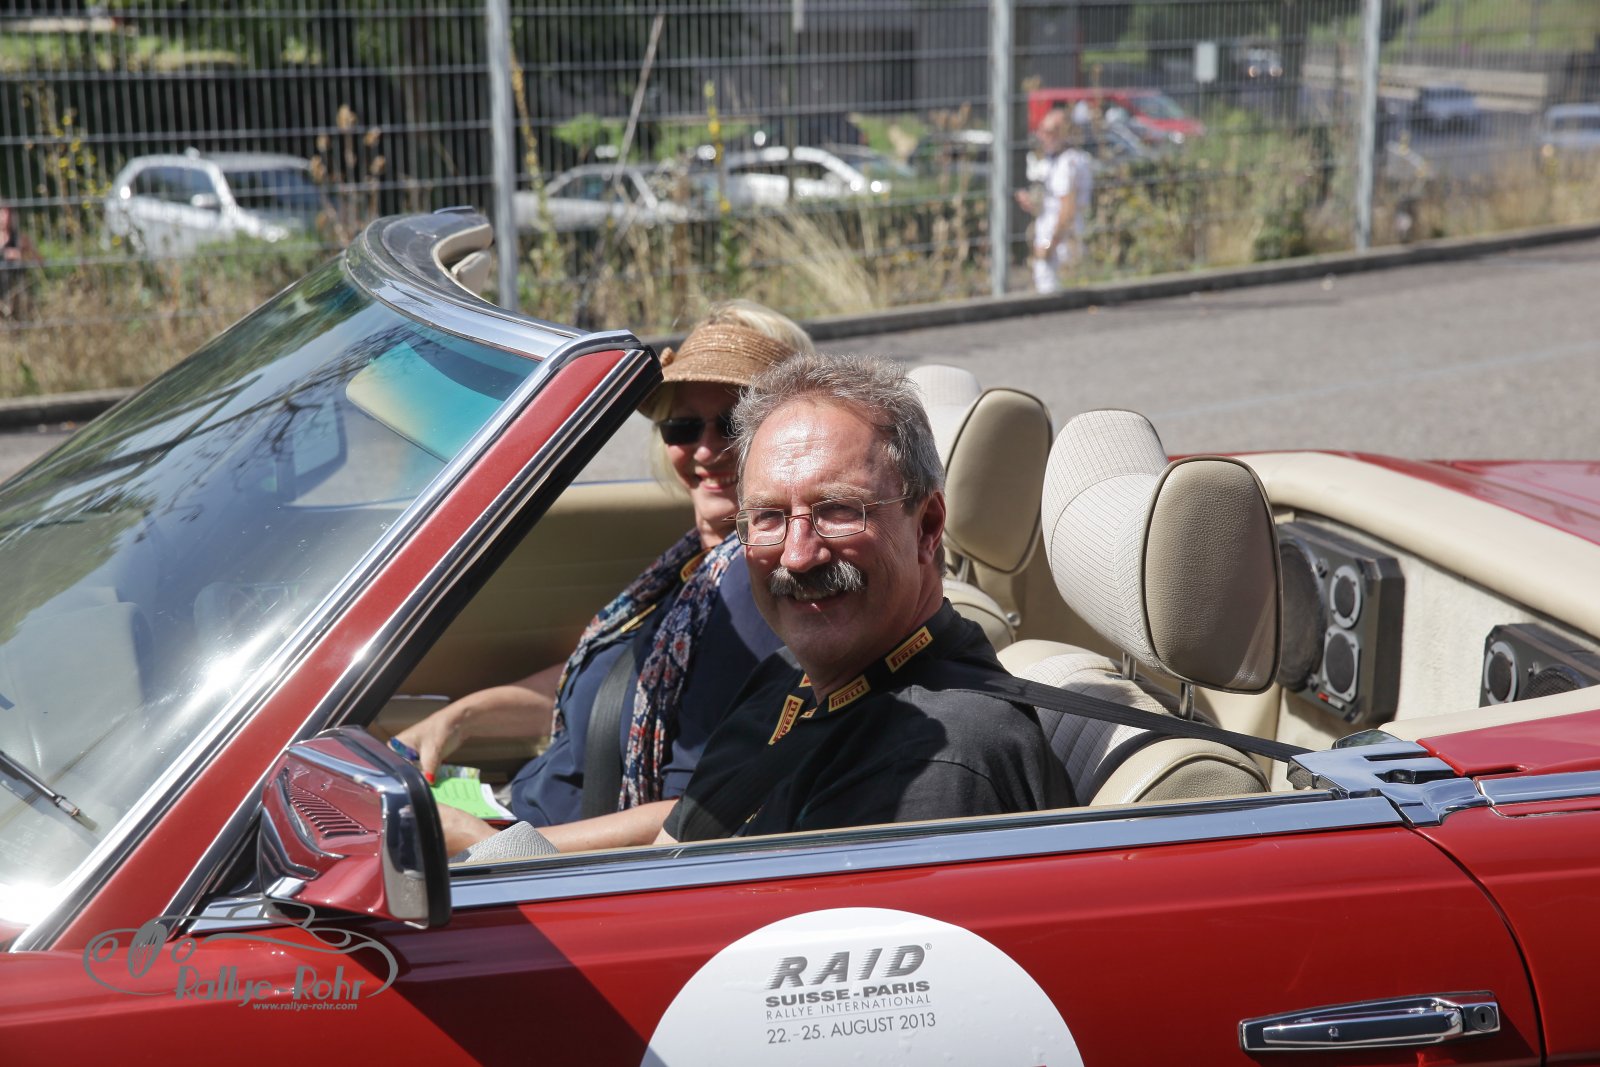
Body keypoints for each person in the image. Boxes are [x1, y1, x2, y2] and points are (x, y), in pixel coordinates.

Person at [443, 353, 1072, 858]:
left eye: (838, 510)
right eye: (767, 517)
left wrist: (479, 853)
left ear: (928, 525)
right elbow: (668, 860)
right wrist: (484, 849)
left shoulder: (937, 760)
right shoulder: (791, 680)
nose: (797, 555)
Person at [399, 300, 808, 837]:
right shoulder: (690, 569)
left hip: (559, 862)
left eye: (733, 423)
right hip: (519, 820)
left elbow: (697, 811)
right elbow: (605, 690)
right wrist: (457, 720)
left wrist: (494, 846)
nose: (706, 449)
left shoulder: (751, 586)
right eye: (682, 427)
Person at [1024, 107, 1093, 295]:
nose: (1042, 136)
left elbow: (1067, 210)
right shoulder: (1056, 160)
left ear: (1064, 133)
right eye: (1041, 130)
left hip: (1059, 247)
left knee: (1054, 300)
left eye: (1049, 132)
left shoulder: (1066, 163)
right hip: (1056, 242)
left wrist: (1048, 246)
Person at [0, 201, 41, 322]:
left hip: (17, 289)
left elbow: (40, 261)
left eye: (9, 213)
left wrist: (20, 255)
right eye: (3, 213)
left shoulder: (21, 239)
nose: (6, 217)